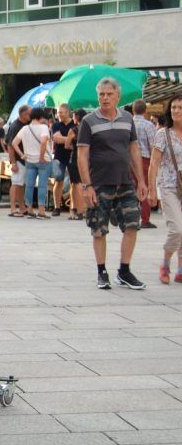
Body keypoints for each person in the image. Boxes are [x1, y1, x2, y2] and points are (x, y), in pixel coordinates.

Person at [78, 77, 147, 290]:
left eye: (109, 94)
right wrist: (87, 185)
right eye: (101, 94)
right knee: (99, 228)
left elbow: (134, 150)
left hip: (125, 182)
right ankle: (102, 272)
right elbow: (82, 155)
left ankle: (124, 271)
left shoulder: (127, 118)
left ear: (118, 96)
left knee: (132, 224)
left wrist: (141, 181)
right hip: (99, 184)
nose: (105, 98)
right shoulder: (89, 121)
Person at [147, 94, 182, 284]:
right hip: (168, 185)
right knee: (177, 229)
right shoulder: (162, 134)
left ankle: (181, 269)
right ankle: (165, 263)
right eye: (174, 107)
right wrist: (152, 190)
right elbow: (153, 164)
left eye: (180, 108)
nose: (176, 111)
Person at [12, 107, 53, 219]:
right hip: (43, 160)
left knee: (29, 185)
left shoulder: (25, 128)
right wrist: (41, 157)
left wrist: (22, 155)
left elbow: (14, 143)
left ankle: (29, 210)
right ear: (41, 117)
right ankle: (41, 211)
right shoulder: (44, 127)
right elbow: (44, 142)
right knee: (42, 185)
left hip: (29, 160)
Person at [133, 99, 159, 229]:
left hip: (128, 160)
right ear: (145, 111)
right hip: (144, 159)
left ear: (133, 110)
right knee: (145, 187)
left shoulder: (128, 124)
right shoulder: (148, 125)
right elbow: (153, 145)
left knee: (131, 188)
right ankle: (145, 219)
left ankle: (129, 217)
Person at [6, 105, 31, 217]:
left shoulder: (26, 124)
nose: (31, 116)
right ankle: (12, 208)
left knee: (21, 184)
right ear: (24, 114)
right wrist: (13, 163)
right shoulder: (15, 126)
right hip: (18, 160)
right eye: (29, 114)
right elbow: (10, 146)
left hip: (24, 160)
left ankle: (21, 207)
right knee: (16, 183)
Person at [50, 104, 75, 216]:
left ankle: (73, 207)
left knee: (74, 182)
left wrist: (63, 139)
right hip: (58, 157)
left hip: (73, 156)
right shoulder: (56, 125)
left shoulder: (74, 124)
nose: (59, 114)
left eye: (61, 112)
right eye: (58, 112)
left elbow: (60, 139)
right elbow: (56, 138)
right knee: (58, 181)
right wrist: (70, 139)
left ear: (68, 112)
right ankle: (57, 207)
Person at [66, 109, 87, 220]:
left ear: (77, 117)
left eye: (73, 116)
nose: (72, 118)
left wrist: (74, 147)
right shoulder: (88, 129)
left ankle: (77, 210)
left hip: (74, 158)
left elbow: (67, 144)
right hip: (86, 158)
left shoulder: (73, 130)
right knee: (79, 184)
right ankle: (77, 209)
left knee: (76, 184)